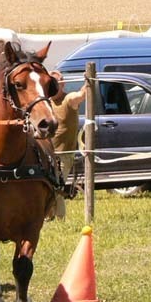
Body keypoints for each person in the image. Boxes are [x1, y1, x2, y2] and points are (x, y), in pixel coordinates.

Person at [49, 70, 86, 218]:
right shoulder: (45, 102)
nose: (52, 87)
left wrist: (88, 81)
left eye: (55, 83)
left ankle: (60, 219)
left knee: (56, 187)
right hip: (46, 154)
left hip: (63, 155)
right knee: (47, 188)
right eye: (49, 83)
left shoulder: (68, 99)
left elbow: (81, 95)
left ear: (62, 84)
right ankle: (50, 217)